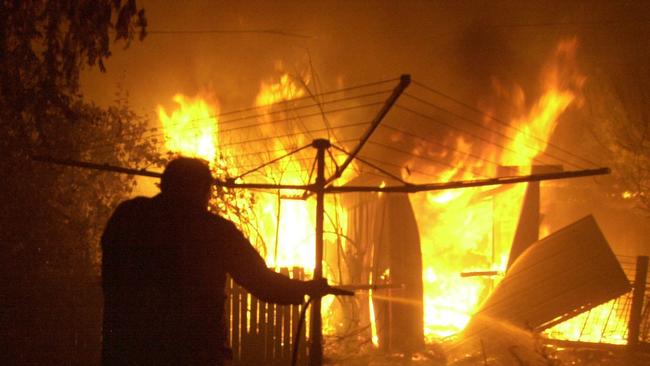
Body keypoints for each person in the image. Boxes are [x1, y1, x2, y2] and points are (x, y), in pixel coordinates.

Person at [101, 157, 333, 366]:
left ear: (165, 184)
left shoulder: (129, 216)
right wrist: (304, 288)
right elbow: (258, 278)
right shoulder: (213, 231)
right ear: (201, 189)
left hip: (129, 349)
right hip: (194, 352)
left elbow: (112, 274)